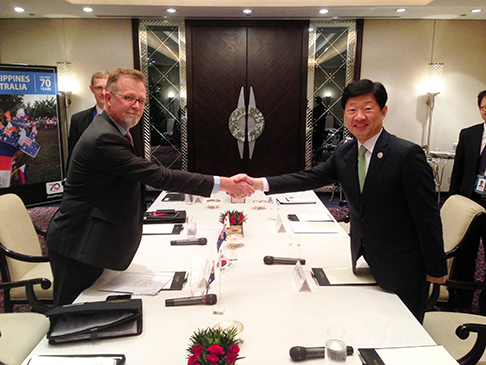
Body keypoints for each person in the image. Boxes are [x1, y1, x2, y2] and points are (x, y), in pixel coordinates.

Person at [235, 79, 447, 323]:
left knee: (404, 333)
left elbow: (427, 215)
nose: (359, 116)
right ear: (344, 113)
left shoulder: (406, 155)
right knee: (370, 323)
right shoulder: (345, 153)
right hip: (367, 259)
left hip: (404, 268)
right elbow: (310, 177)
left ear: (383, 111)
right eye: (351, 109)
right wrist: (259, 183)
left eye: (368, 108)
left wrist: (436, 269)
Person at [46, 68, 254, 306]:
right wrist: (223, 184)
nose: (136, 105)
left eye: (141, 100)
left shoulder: (115, 130)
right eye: (128, 98)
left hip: (93, 237)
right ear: (108, 98)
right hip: (79, 242)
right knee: (70, 320)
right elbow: (158, 176)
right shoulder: (104, 137)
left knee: (88, 313)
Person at [449, 90, 486, 209]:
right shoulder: (468, 135)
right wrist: (452, 200)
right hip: (470, 197)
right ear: (480, 109)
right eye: (485, 107)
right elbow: (458, 171)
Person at [67, 70, 109, 163]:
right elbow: (72, 156)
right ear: (91, 89)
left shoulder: (123, 119)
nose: (103, 92)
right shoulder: (78, 120)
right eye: (99, 88)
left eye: (106, 88)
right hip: (88, 175)